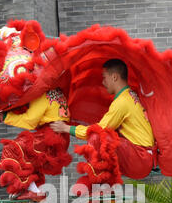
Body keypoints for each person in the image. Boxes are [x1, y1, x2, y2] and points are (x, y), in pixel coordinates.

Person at [50, 58, 155, 188]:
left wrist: (66, 128)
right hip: (141, 157)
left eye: (104, 77)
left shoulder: (122, 102)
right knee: (105, 137)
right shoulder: (130, 95)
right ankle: (105, 182)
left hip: (140, 158)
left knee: (98, 137)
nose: (103, 82)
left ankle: (98, 182)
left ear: (115, 77)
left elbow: (98, 130)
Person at [0, 88, 72, 201]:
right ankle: (33, 188)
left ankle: (33, 190)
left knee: (12, 148)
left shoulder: (41, 94)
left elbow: (30, 120)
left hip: (49, 136)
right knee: (31, 159)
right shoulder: (57, 91)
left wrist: (4, 117)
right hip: (60, 137)